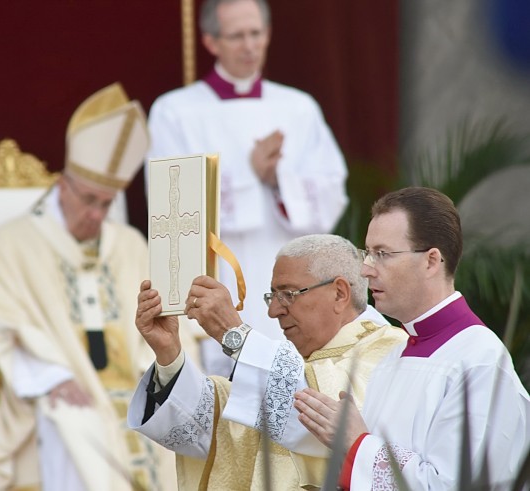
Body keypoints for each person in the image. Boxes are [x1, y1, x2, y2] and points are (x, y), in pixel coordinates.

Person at [0, 83, 198, 491]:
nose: (95, 214)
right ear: (62, 185)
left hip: (136, 384)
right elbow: (1, 326)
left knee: (171, 424)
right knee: (77, 424)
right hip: (61, 387)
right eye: (88, 199)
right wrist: (51, 378)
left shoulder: (129, 245)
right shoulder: (10, 245)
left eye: (106, 204)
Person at [255, 188, 529, 489]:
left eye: (382, 254)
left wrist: (356, 442)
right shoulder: (393, 357)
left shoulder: (479, 360)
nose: (366, 269)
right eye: (367, 253)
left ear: (431, 261)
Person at [146, 0, 348, 375]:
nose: (249, 46)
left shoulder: (299, 107)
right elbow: (171, 206)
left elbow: (332, 192)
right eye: (236, 36)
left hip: (289, 276)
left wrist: (277, 179)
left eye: (256, 34)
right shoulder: (174, 112)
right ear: (210, 41)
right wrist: (250, 175)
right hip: (220, 272)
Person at [128, 234, 407, 490]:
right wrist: (169, 355)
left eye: (288, 294)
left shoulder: (389, 352)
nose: (274, 311)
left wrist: (233, 333)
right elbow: (203, 433)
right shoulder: (291, 362)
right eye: (271, 296)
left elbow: (314, 416)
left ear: (339, 293)